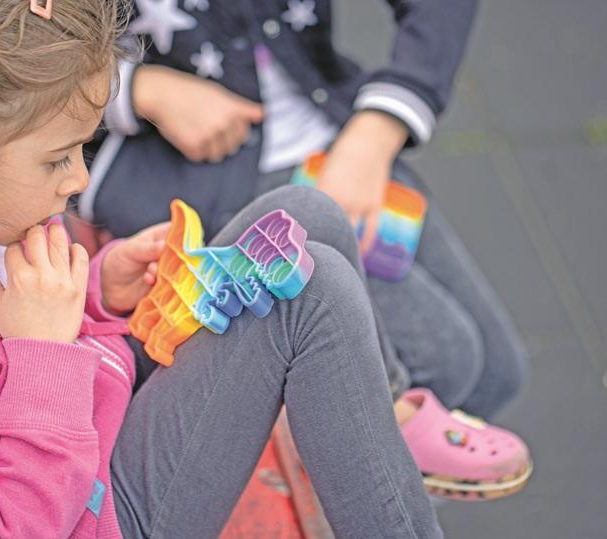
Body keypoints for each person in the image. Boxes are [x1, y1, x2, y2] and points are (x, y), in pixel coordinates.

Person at [0, 0, 462, 536]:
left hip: (100, 420)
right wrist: (42, 355)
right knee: (310, 293)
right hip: (101, 515)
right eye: (57, 159)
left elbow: (18, 328)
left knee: (301, 214)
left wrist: (98, 290)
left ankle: (378, 425)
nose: (79, 180)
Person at [81, 1, 527, 424]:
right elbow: (35, 56)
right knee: (445, 364)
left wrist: (376, 131)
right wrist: (138, 88)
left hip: (340, 137)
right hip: (195, 180)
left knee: (496, 375)